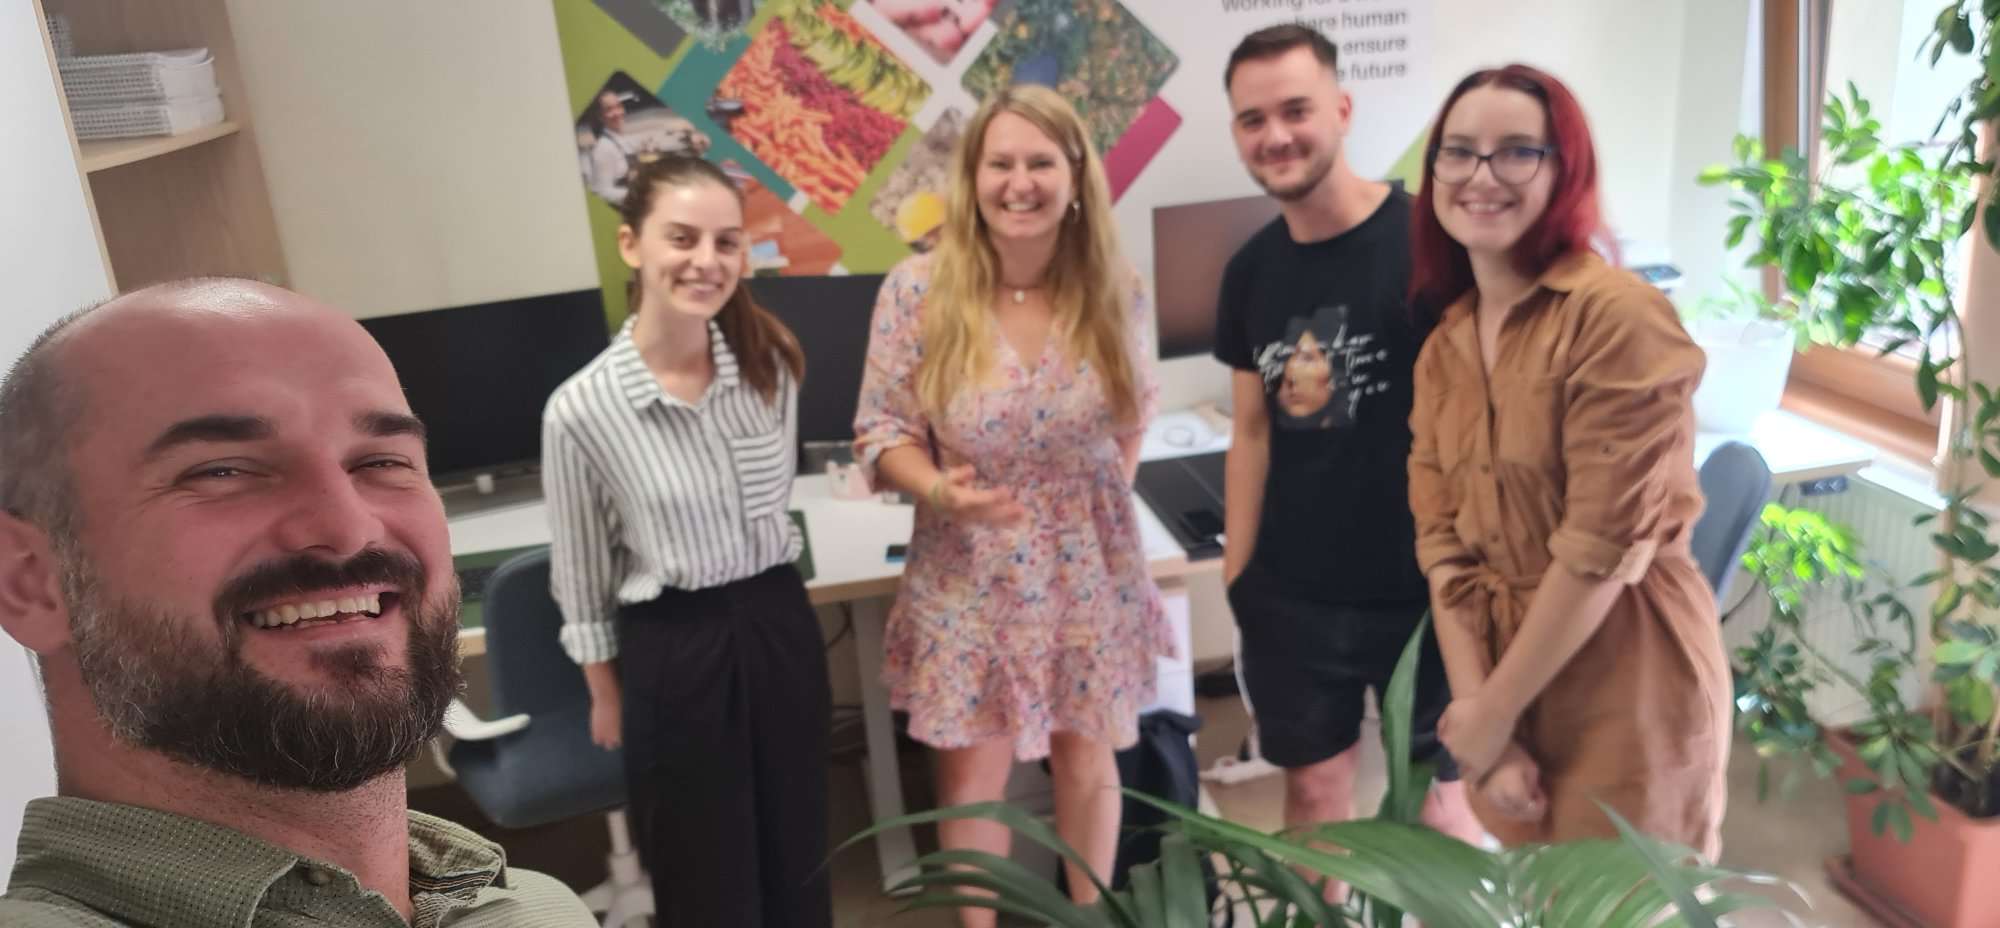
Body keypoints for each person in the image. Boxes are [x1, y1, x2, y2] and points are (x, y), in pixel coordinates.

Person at [0, 280, 596, 926]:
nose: (349, 529)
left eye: (381, 461)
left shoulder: (537, 908)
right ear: (29, 582)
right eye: (221, 470)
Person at [852, 83, 1168, 926]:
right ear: (973, 176)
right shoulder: (918, 290)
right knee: (974, 775)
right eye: (1000, 163)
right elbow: (881, 430)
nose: (1019, 183)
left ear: (1075, 177)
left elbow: (1135, 414)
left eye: (1040, 163)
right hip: (967, 567)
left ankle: (1087, 916)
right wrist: (937, 488)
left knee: (1088, 758)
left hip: (1086, 566)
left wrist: (1090, 506)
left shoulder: (1115, 286)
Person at [1405, 64, 1731, 856]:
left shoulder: (1616, 317)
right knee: (1543, 895)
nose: (1481, 175)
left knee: (1624, 900)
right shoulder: (1447, 344)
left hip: (1626, 671)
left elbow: (1600, 549)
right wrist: (1485, 720)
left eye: (1517, 151)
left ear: (1566, 169)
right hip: (1506, 675)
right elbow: (1443, 546)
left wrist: (1491, 715)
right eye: (1458, 151)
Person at [1213, 23, 1482, 886]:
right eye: (1253, 119)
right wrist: (1238, 574)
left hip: (1427, 592)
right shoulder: (1249, 272)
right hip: (1296, 596)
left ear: (1342, 109)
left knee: (1438, 809)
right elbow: (1252, 431)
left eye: (1296, 110)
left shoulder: (1433, 246)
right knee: (1314, 799)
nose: (1276, 135)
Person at [543, 154, 831, 927]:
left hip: (777, 622)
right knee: (705, 875)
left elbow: (776, 508)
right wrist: (606, 692)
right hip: (675, 645)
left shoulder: (772, 365)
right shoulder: (581, 409)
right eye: (683, 238)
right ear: (631, 245)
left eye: (726, 242)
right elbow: (581, 571)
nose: (707, 260)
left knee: (800, 851)